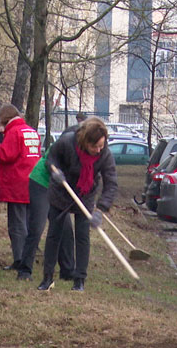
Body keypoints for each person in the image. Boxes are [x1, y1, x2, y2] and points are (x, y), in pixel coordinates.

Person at [39, 117, 118, 292]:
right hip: (61, 192)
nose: (98, 150)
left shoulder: (104, 154)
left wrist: (101, 209)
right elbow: (50, 159)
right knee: (54, 234)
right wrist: (55, 172)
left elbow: (111, 183)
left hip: (85, 194)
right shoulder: (67, 142)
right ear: (84, 141)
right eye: (94, 146)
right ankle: (47, 277)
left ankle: (79, 279)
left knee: (82, 236)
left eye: (101, 145)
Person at [16, 143, 75, 281]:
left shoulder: (91, 153)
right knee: (37, 227)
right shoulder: (67, 144)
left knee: (65, 227)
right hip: (41, 182)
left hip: (60, 188)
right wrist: (59, 173)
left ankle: (67, 271)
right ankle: (24, 270)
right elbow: (50, 161)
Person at [0, 105, 41, 271]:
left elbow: (7, 155)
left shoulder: (14, 132)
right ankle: (28, 257)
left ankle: (20, 260)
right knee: (28, 222)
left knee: (17, 224)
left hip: (17, 183)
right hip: (33, 181)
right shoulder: (31, 131)